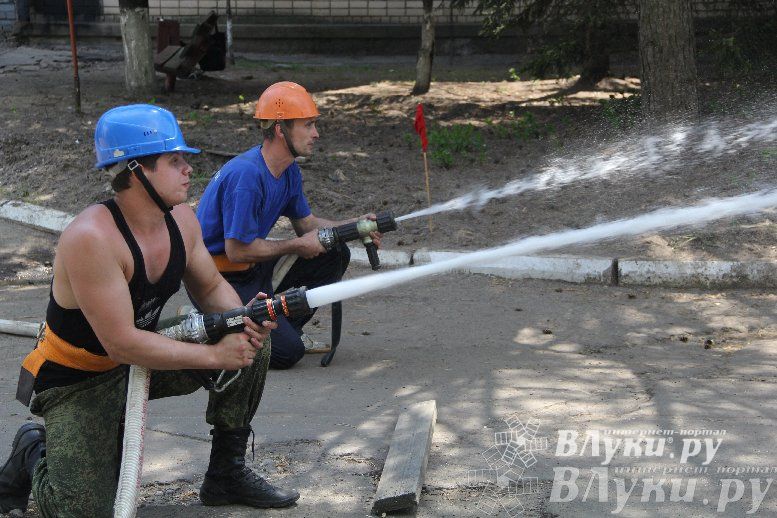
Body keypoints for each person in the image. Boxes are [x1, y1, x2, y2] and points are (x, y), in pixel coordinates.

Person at [0, 104, 299, 517]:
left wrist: (244, 318)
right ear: (136, 170)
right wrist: (215, 356)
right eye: (174, 160)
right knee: (84, 510)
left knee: (248, 339)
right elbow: (121, 343)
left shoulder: (182, 220)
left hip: (139, 357)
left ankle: (226, 474)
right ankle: (32, 449)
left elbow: (211, 286)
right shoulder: (92, 238)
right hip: (78, 379)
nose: (188, 169)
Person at [196, 80, 381, 369]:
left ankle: (283, 329)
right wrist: (296, 245)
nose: (316, 134)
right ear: (281, 129)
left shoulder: (288, 170)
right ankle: (210, 323)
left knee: (334, 251)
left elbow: (307, 225)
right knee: (287, 354)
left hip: (252, 270)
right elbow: (236, 251)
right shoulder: (247, 176)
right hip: (219, 279)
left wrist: (355, 227)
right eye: (308, 125)